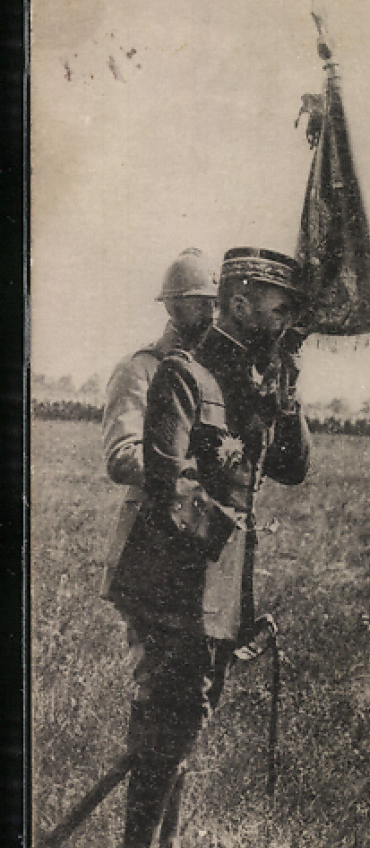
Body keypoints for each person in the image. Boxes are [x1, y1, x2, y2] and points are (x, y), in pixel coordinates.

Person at [103, 247, 311, 848]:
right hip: (177, 581)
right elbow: (169, 487)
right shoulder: (181, 375)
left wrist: (288, 395)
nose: (286, 324)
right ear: (241, 304)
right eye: (280, 311)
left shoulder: (250, 379)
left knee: (189, 718)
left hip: (221, 587)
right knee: (171, 714)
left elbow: (292, 468)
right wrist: (225, 538)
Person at [100, 247, 218, 599]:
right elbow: (123, 457)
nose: (211, 314)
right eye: (199, 303)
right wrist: (188, 477)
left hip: (203, 533)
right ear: (172, 306)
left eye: (215, 303)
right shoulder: (140, 369)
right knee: (152, 652)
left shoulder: (211, 375)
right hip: (151, 540)